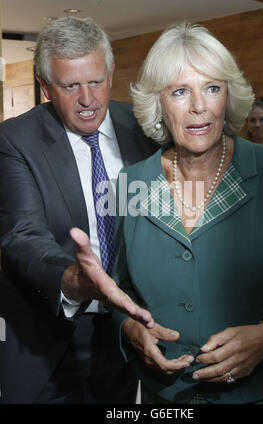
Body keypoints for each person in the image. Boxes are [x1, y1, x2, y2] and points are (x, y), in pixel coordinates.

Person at [107, 23, 263, 404]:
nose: (199, 106)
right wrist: (129, 330)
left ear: (227, 96)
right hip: (167, 399)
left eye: (212, 88)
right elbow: (120, 291)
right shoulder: (131, 182)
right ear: (159, 104)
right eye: (180, 91)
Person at [0, 16, 157, 404]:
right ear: (46, 87)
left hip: (127, 326)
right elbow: (23, 235)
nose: (88, 100)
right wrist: (75, 280)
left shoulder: (142, 128)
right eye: (70, 86)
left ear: (111, 72)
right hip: (51, 333)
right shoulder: (15, 140)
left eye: (96, 81)